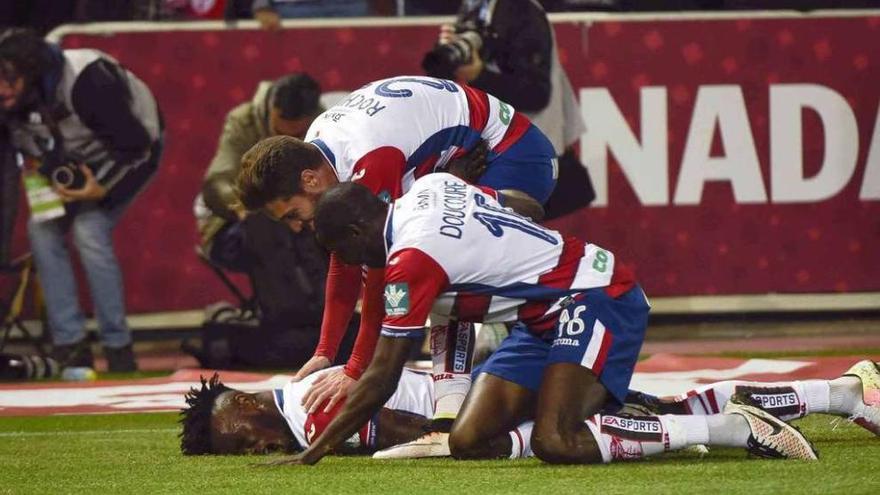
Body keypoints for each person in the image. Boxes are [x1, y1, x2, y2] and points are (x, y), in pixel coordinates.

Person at [255, 176, 835, 465]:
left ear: (358, 234)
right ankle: (618, 409)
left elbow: (381, 375)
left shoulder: (408, 260)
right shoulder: (426, 188)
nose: (358, 269)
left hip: (596, 295)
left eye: (348, 254)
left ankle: (733, 429)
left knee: (559, 440)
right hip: (546, 314)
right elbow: (519, 204)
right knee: (467, 438)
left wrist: (316, 451)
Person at [235, 75, 555, 427]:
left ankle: (457, 402)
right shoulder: (318, 151)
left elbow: (379, 273)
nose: (297, 226)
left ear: (310, 180)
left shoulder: (368, 158)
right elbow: (343, 259)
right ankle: (478, 379)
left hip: (511, 153)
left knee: (439, 267)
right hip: (479, 149)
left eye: (294, 214)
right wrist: (325, 352)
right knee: (435, 263)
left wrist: (356, 369)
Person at [179, 359, 880, 457]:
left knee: (524, 440)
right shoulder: (293, 388)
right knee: (650, 400)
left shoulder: (304, 410)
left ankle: (728, 432)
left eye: (233, 432)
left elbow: (409, 427)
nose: (248, 446)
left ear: (240, 401)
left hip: (489, 377)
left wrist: (446, 438)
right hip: (494, 359)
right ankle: (838, 393)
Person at [0, 29, 163, 372]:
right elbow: (8, 178)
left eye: (9, 79)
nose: (2, 88)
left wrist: (101, 190)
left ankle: (118, 347)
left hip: (131, 152)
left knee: (90, 229)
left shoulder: (88, 80)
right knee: (41, 229)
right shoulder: (10, 101)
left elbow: (138, 146)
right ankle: (69, 344)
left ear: (32, 72)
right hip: (69, 160)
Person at [424, 0, 594, 219]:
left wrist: (478, 75)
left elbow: (536, 93)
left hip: (526, 150)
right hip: (497, 143)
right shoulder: (475, 6)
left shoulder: (521, 10)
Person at [195, 72, 323, 272]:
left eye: (297, 135)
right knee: (269, 230)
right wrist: (253, 208)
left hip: (304, 223)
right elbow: (217, 182)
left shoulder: (324, 125)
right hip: (238, 228)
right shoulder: (242, 122)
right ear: (272, 107)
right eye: (280, 133)